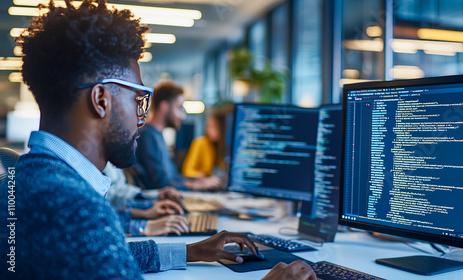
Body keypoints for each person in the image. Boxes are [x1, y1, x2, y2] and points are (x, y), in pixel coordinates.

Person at [5, 0, 316, 279]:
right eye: (138, 100)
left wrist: (190, 251)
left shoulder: (30, 177)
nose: (142, 118)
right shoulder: (72, 207)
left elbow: (110, 257)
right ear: (101, 99)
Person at [135, 82, 222, 191]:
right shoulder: (147, 136)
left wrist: (198, 180)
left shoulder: (156, 135)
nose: (183, 116)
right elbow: (160, 184)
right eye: (179, 108)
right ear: (164, 106)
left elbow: (172, 178)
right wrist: (195, 185)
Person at [182, 114, 228, 185]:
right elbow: (187, 170)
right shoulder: (199, 143)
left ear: (222, 128)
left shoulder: (225, 147)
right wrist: (201, 176)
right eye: (208, 126)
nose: (208, 129)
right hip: (201, 183)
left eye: (213, 126)